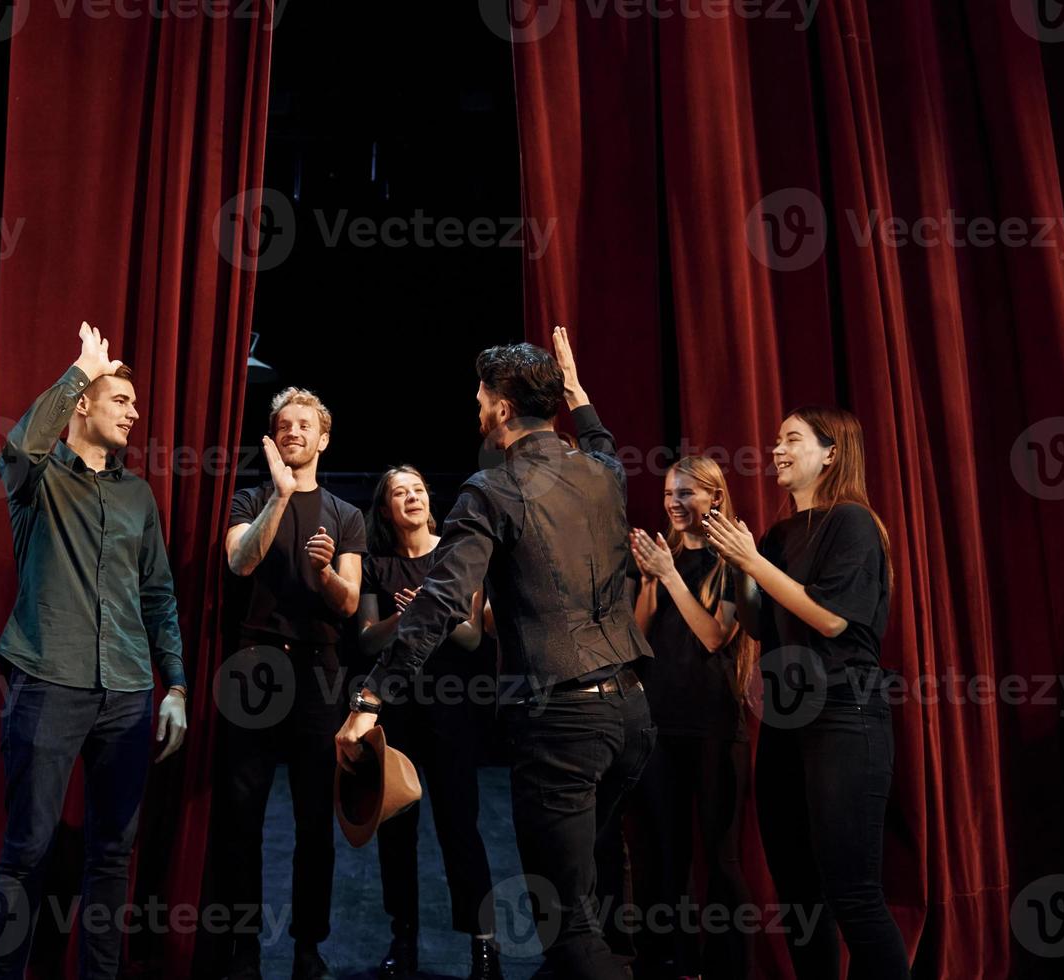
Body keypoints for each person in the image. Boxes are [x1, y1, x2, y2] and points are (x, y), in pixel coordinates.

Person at [338, 327, 656, 979]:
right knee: (584, 906)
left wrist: (369, 698)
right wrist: (578, 390)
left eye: (482, 395)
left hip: (563, 724)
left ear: (502, 408)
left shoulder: (491, 490)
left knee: (567, 927)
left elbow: (438, 605)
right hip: (630, 719)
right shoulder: (600, 474)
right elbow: (601, 443)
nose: (476, 406)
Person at [0, 322, 188, 980]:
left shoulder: (137, 495)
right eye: (120, 400)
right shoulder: (38, 479)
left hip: (128, 690)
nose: (134, 412)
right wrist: (79, 370)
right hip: (49, 681)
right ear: (84, 405)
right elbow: (16, 451)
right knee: (27, 848)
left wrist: (177, 687)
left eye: (134, 402)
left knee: (112, 853)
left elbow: (157, 593)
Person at [703, 407, 910, 980]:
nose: (777, 449)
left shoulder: (853, 523)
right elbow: (757, 621)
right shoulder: (777, 534)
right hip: (787, 724)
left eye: (792, 439)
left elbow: (832, 621)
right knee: (799, 896)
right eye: (776, 440)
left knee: (853, 892)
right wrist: (740, 565)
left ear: (831, 452)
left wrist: (751, 562)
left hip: (846, 715)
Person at [216, 387, 365, 980]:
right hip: (254, 664)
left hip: (317, 670)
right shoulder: (250, 497)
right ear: (273, 436)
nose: (293, 431)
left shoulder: (346, 514)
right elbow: (239, 562)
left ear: (323, 438)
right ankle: (244, 948)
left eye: (305, 424)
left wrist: (326, 571)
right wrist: (279, 497)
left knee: (312, 818)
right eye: (284, 424)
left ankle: (308, 947)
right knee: (242, 814)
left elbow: (350, 603)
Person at [357, 465, 501, 980]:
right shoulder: (377, 565)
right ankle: (405, 941)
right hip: (397, 715)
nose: (411, 497)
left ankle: (484, 949)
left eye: (417, 489)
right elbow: (367, 640)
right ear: (387, 509)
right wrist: (404, 619)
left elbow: (470, 639)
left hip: (452, 713)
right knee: (397, 833)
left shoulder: (455, 554)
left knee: (460, 829)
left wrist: (425, 608)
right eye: (399, 493)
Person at [626, 457, 756, 979]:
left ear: (715, 499)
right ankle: (682, 967)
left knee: (721, 862)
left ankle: (731, 970)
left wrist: (670, 576)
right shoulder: (665, 559)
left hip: (714, 729)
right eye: (668, 494)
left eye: (686, 494)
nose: (674, 504)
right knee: (665, 860)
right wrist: (650, 582)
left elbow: (712, 636)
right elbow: (638, 639)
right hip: (661, 726)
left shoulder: (732, 563)